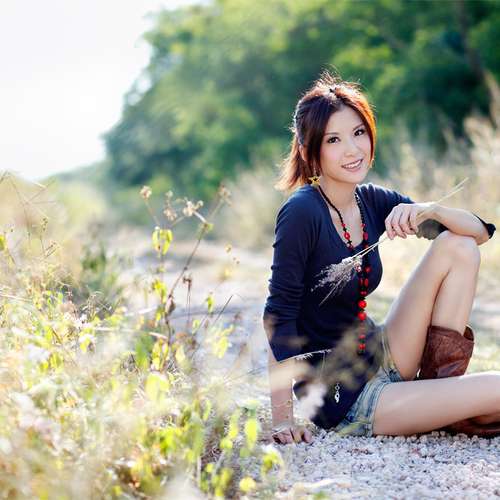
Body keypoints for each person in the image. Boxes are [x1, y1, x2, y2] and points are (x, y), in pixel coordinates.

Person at [262, 70, 498, 446]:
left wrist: (430, 209)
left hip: (384, 351)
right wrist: (282, 421)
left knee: (458, 245)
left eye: (358, 132)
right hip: (346, 397)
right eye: (334, 139)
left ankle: (437, 390)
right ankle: (441, 403)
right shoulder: (302, 212)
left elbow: (480, 233)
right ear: (311, 150)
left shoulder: (370, 199)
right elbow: (278, 316)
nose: (352, 149)